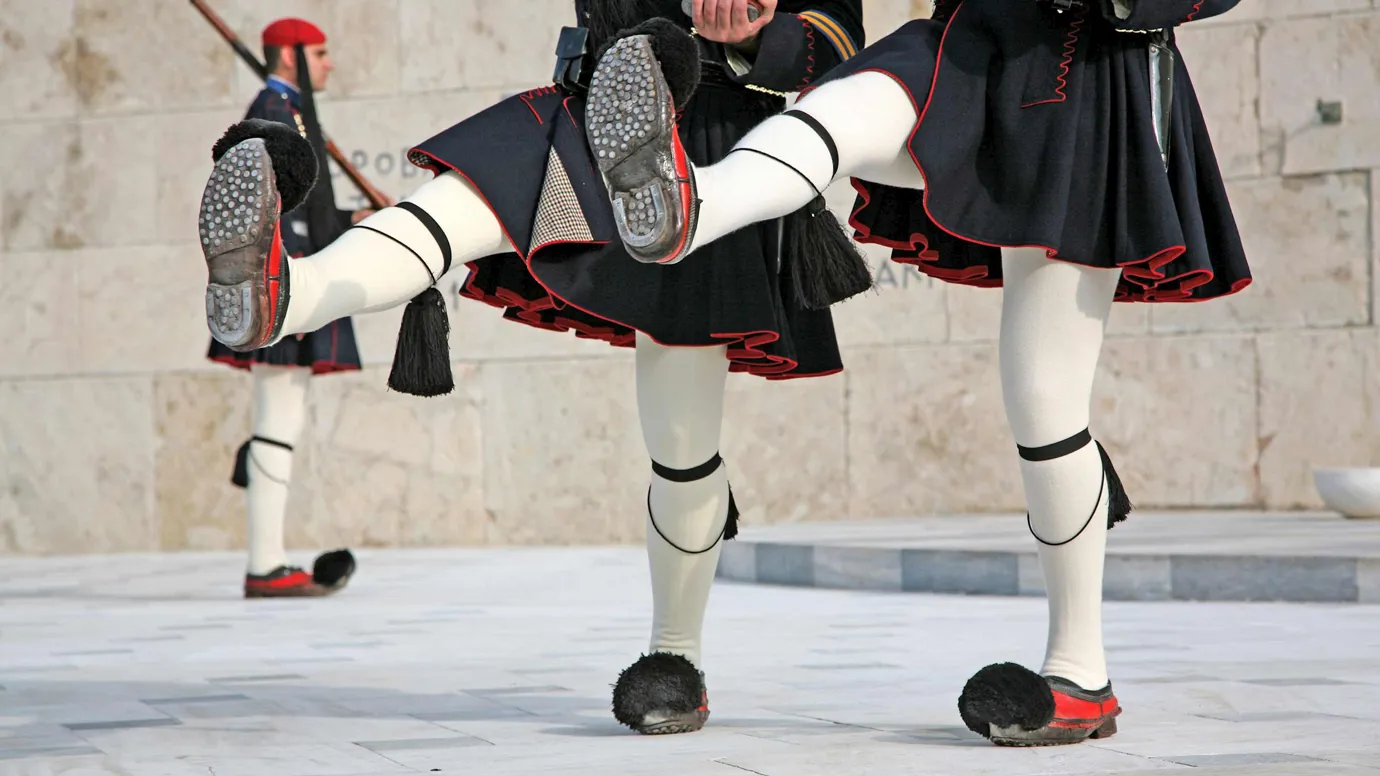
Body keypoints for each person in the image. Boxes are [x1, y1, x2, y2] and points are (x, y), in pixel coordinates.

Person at [580, 0, 1251, 745]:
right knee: (832, 115)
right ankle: (693, 210)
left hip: (1084, 76)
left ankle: (1079, 673)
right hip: (959, 46)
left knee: (1044, 403)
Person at [197, 0, 862, 732]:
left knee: (681, 439)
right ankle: (284, 295)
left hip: (700, 143)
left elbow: (835, 41)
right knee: (444, 213)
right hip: (587, 110)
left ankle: (674, 655)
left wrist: (761, 32)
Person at [204, 17, 384, 598]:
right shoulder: (273, 114)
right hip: (280, 283)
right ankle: (266, 564)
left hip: (291, 278)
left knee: (282, 418)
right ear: (288, 55)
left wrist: (354, 220)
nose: (329, 63)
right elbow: (267, 218)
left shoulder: (292, 112)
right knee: (277, 419)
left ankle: (269, 551)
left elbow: (304, 209)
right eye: (320, 53)